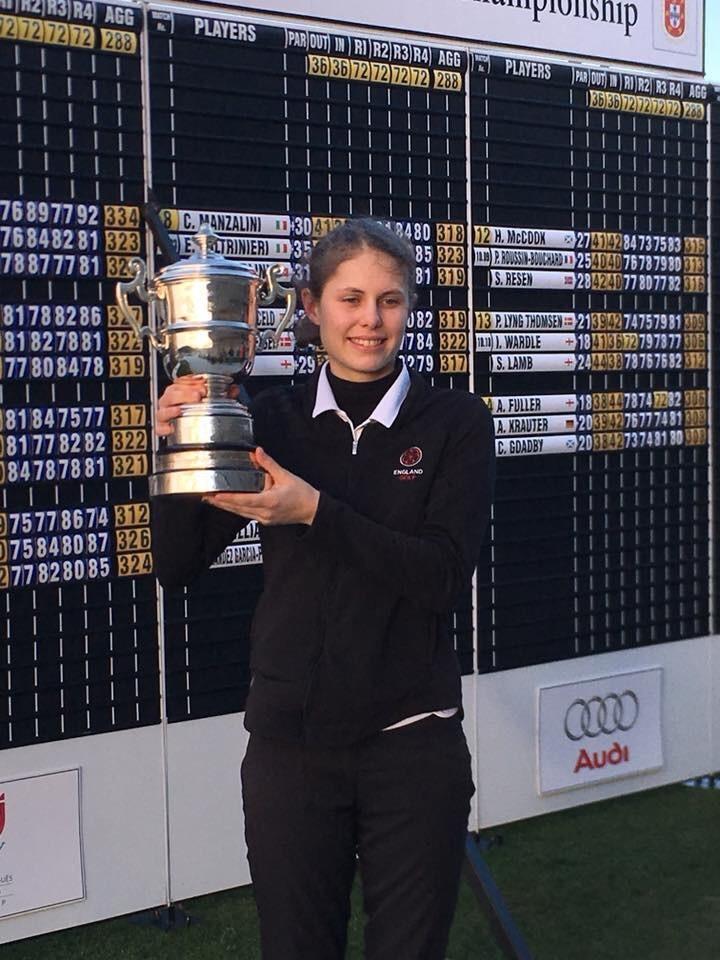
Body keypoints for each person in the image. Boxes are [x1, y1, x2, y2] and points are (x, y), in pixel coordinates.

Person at [151, 219, 495, 960]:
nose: (371, 320)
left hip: (413, 744)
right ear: (311, 305)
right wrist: (180, 446)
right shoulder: (265, 418)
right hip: (290, 750)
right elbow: (177, 564)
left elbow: (439, 577)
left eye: (390, 300)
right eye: (351, 299)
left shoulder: (455, 422)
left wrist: (313, 512)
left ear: (408, 307)